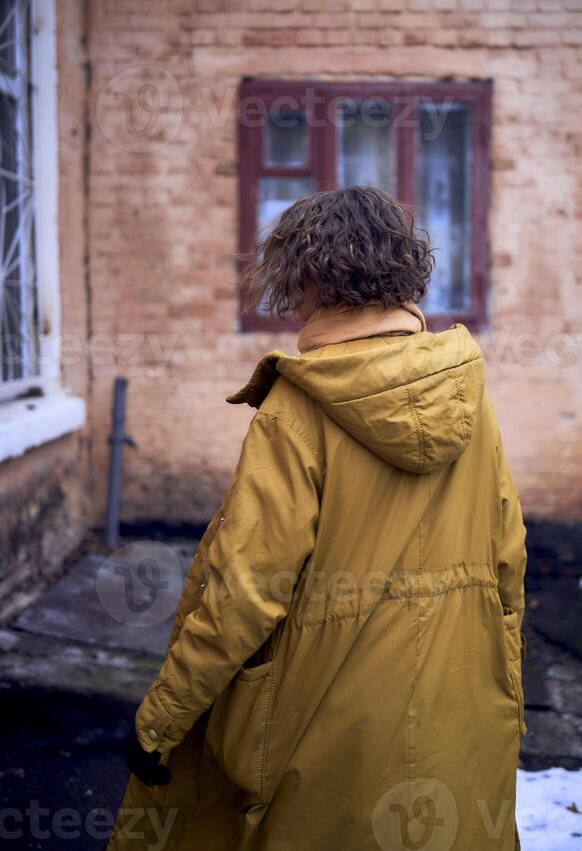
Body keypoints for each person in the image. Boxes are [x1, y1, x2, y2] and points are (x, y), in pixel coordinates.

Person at [108, 185, 527, 851]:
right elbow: (507, 570)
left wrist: (159, 722)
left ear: (307, 275)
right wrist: (501, 691)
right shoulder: (469, 397)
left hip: (323, 732)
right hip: (459, 713)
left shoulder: (294, 412)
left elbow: (244, 595)